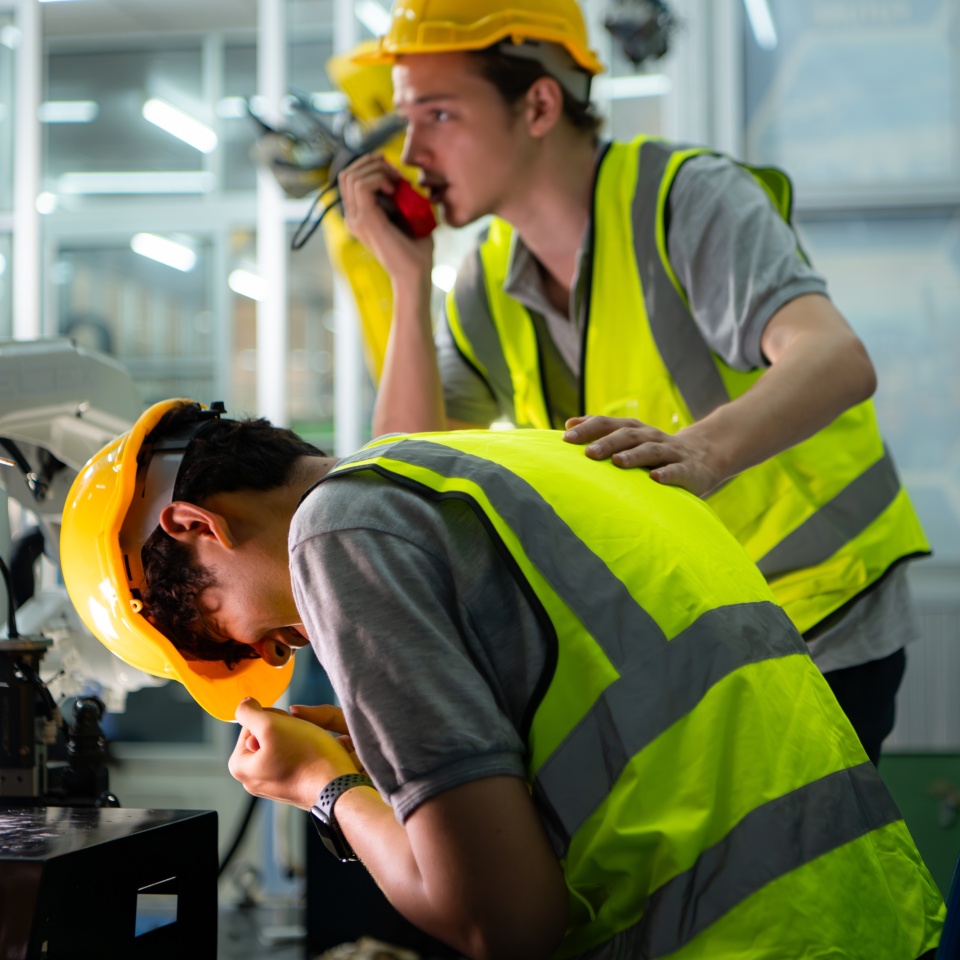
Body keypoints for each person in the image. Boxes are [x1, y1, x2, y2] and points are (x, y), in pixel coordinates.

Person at [60, 399, 944, 959]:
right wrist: (380, 751)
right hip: (866, 912)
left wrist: (322, 786)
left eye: (232, 637)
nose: (283, 651)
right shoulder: (508, 460)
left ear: (192, 526)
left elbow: (501, 922)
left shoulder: (335, 534)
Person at [337, 0, 931, 764]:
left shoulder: (685, 199)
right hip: (689, 629)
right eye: (404, 119)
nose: (411, 150)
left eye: (438, 114)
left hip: (817, 609)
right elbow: (402, 468)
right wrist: (409, 283)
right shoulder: (486, 280)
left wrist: (704, 452)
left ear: (540, 104)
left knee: (796, 878)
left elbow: (835, 357)